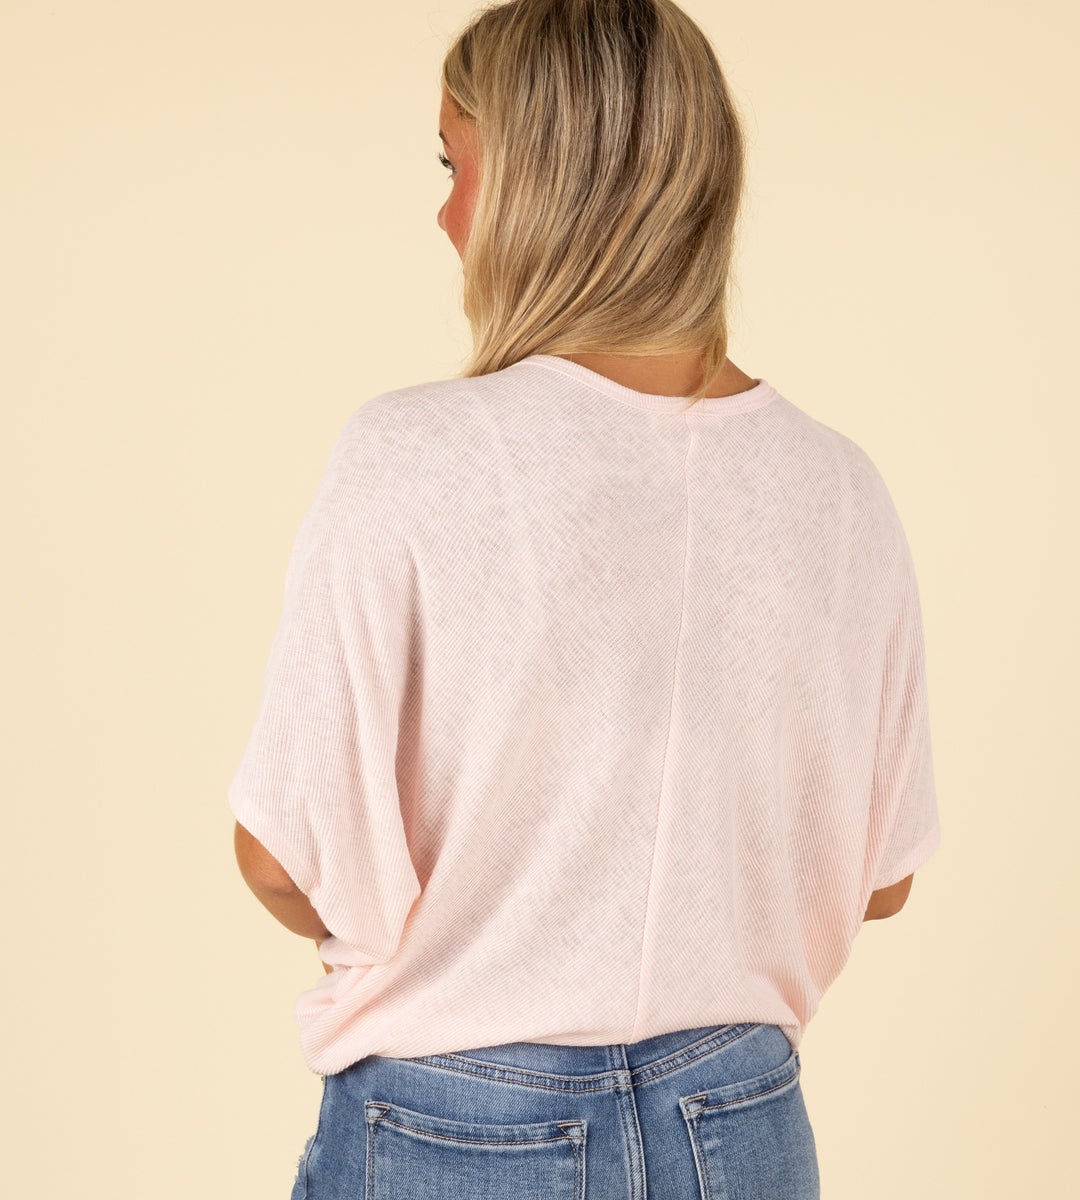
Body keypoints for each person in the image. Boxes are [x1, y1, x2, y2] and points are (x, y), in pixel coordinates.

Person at [228, 2, 940, 1196]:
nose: (445, 212)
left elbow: (276, 854)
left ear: (540, 191)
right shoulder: (840, 487)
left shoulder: (416, 453)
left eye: (457, 166)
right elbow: (885, 874)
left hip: (454, 1125)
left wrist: (472, 934)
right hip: (741, 1123)